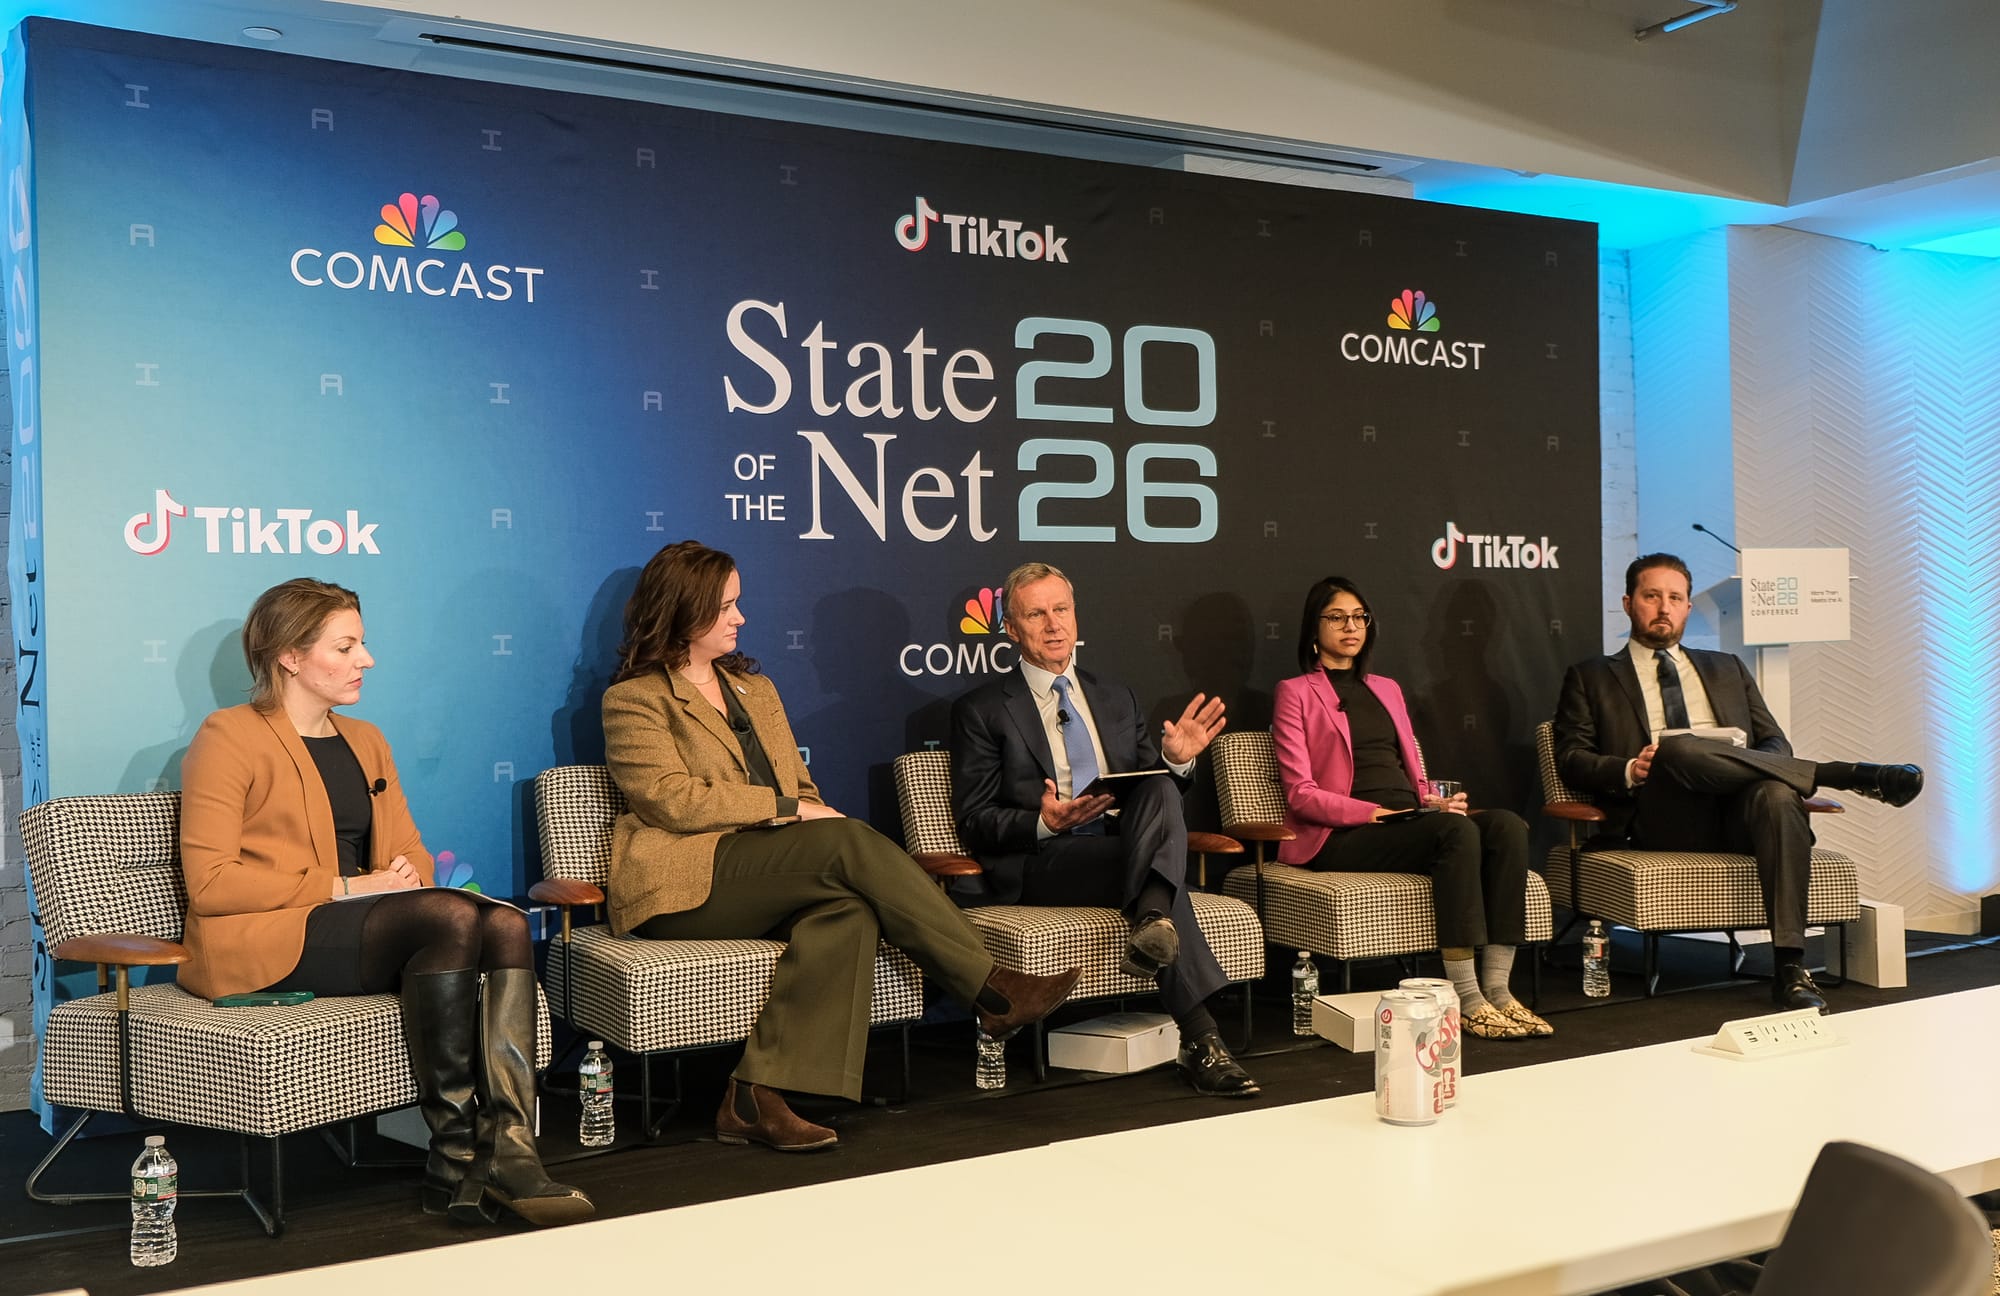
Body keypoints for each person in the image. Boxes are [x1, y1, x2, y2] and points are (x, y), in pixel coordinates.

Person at [601, 541, 1080, 1151]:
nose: (740, 617)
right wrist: (788, 812)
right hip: (686, 883)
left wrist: (800, 810)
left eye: (738, 603)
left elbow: (801, 787)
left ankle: (754, 1097)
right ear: (684, 610)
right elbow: (669, 799)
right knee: (844, 839)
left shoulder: (755, 689)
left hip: (771, 868)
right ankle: (990, 987)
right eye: (725, 607)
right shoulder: (635, 698)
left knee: (848, 911)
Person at [178, 579, 591, 1227]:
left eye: (362, 645)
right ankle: (455, 1151)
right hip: (265, 937)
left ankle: (509, 1149)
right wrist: (346, 886)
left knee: (505, 922)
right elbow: (210, 882)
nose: (366, 660)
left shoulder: (366, 739)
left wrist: (402, 872)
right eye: (345, 647)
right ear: (290, 656)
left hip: (362, 922)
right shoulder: (228, 735)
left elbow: (413, 856)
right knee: (449, 915)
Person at [1553, 553, 1923, 1013]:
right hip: (1661, 817)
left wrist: (1750, 765)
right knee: (1676, 750)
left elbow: (1775, 745)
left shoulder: (1727, 667)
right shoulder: (1591, 676)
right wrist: (1630, 768)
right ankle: (1843, 775)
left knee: (1777, 793)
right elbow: (1571, 758)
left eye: (1675, 598)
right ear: (1629, 603)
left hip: (1737, 816)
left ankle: (1790, 969)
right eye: (1652, 596)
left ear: (1688, 607)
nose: (1664, 608)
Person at [948, 562, 1260, 1098]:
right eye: (1036, 614)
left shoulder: (1116, 696)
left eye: (1061, 609)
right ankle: (1200, 1034)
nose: (1053, 624)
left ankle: (1154, 923)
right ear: (1011, 629)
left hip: (1121, 845)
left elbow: (1153, 798)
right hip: (1046, 859)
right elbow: (975, 819)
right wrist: (1043, 822)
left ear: (1076, 615)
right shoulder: (981, 709)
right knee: (1160, 874)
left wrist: (1176, 762)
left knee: (1160, 785)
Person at [1272, 575, 1550, 1040]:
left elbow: (1410, 771)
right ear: (1313, 628)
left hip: (1406, 821)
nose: (1351, 627)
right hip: (1343, 834)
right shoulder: (1295, 692)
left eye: (1359, 617)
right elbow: (1300, 793)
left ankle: (1499, 991)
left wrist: (1433, 802)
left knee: (1506, 826)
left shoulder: (1387, 688)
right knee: (1456, 832)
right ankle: (1466, 998)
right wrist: (1369, 813)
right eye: (1337, 617)